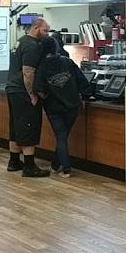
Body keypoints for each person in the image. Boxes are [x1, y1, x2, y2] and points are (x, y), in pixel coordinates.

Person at [35, 37, 91, 178]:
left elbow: (39, 89)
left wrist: (48, 97)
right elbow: (82, 81)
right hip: (72, 105)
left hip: (53, 107)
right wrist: (84, 97)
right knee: (63, 136)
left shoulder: (42, 66)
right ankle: (55, 165)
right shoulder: (67, 61)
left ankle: (66, 168)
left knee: (61, 136)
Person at [4, 17, 51, 177]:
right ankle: (29, 166)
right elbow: (28, 72)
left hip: (12, 88)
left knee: (16, 126)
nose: (47, 34)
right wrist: (32, 94)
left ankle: (14, 161)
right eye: (45, 31)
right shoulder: (32, 45)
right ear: (36, 28)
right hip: (22, 90)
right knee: (29, 125)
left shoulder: (20, 41)